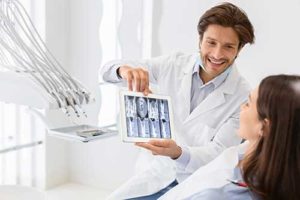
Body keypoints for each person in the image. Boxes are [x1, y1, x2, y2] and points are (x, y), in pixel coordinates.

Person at [100, 2, 254, 199]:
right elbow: (106, 71)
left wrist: (179, 153)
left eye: (228, 47)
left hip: (196, 181)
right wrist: (124, 70)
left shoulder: (242, 96)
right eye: (211, 42)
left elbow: (219, 154)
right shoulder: (173, 64)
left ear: (239, 50)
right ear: (200, 40)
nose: (217, 54)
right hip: (154, 173)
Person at [158, 74, 300, 200]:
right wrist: (178, 153)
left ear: (264, 127)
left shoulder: (222, 195)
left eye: (248, 104)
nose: (241, 108)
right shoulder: (247, 154)